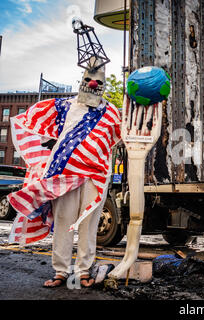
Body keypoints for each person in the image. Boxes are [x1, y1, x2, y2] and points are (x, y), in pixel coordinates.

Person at [7, 57, 121, 288]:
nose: (91, 84)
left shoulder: (110, 111)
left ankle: (83, 272)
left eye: (96, 81)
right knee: (63, 221)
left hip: (96, 174)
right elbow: (37, 120)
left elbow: (118, 137)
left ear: (103, 85)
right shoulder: (64, 106)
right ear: (81, 81)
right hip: (64, 173)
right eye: (87, 79)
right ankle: (61, 271)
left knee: (89, 224)